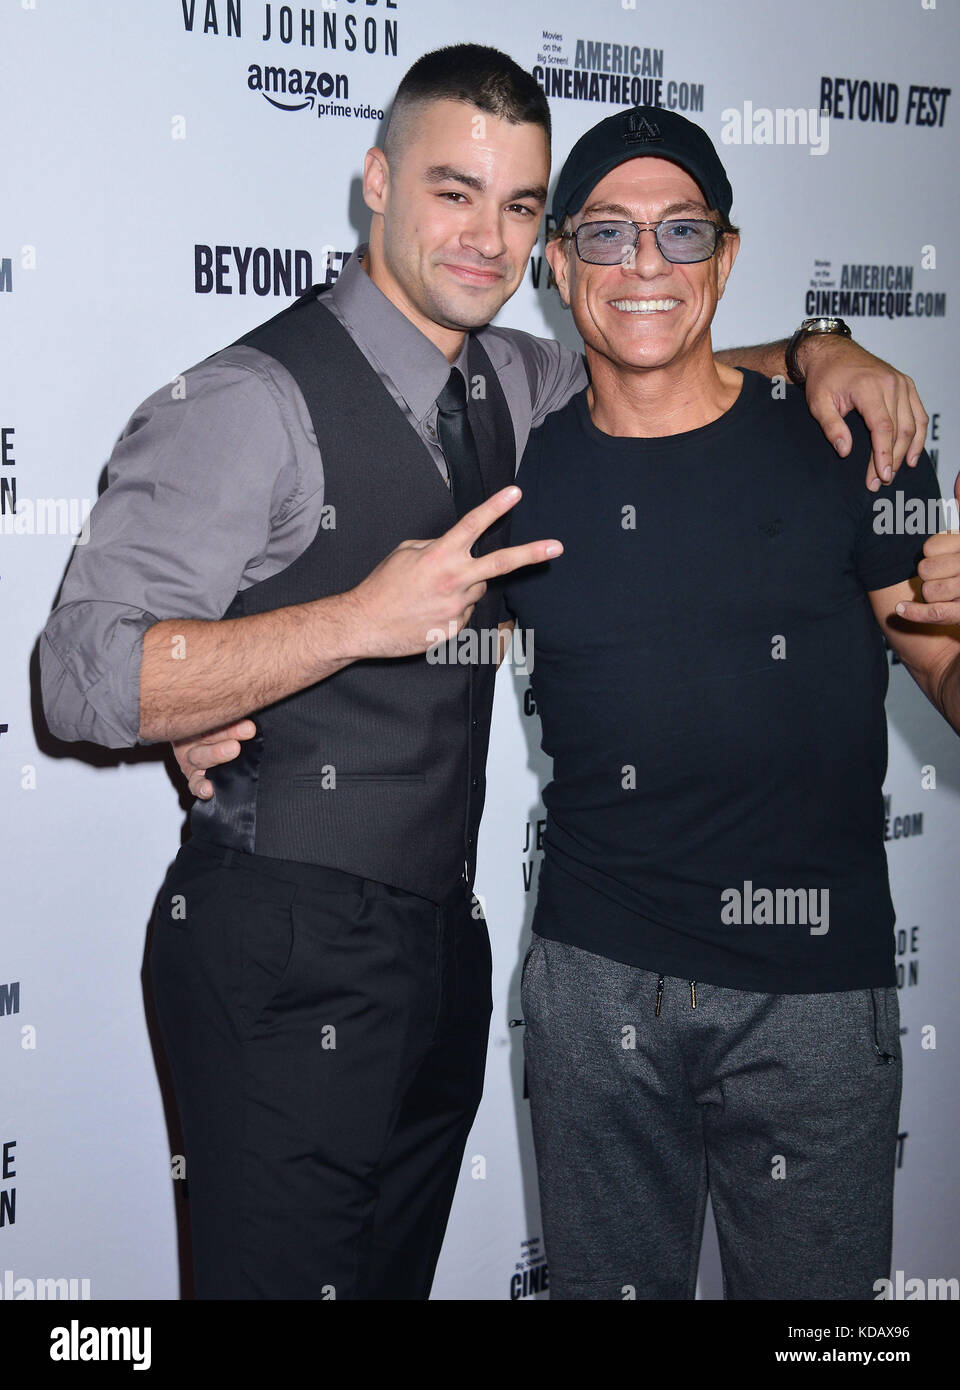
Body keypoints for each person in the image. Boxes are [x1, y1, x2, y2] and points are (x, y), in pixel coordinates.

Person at [40, 45, 928, 1301]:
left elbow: (672, 347)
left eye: (517, 206)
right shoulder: (242, 398)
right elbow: (80, 677)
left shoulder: (516, 380)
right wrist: (341, 624)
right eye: (454, 192)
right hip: (277, 945)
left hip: (440, 954)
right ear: (374, 183)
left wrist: (831, 344)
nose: (486, 238)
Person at [503, 105, 960, 1300]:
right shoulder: (517, 470)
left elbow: (949, 675)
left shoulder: (855, 447)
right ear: (556, 264)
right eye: (606, 236)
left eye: (682, 233)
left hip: (813, 994)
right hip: (593, 977)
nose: (645, 266)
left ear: (729, 256)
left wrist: (826, 345)